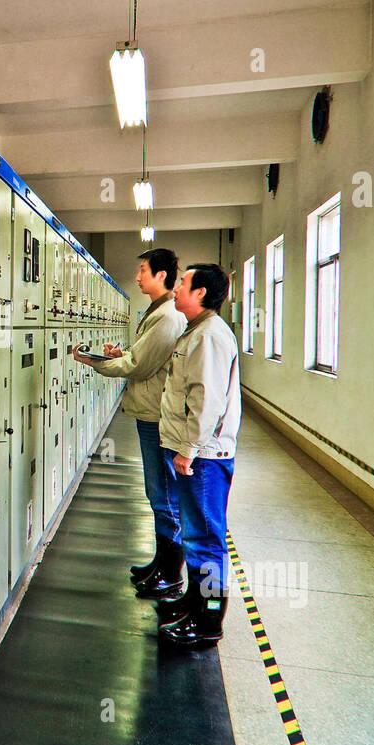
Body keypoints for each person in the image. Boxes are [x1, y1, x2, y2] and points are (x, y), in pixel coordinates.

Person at [73, 248, 186, 597]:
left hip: (156, 417)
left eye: (143, 271)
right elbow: (141, 357)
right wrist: (119, 354)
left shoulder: (166, 317)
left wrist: (93, 361)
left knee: (163, 495)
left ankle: (170, 573)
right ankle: (161, 564)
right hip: (150, 412)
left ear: (161, 276)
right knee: (158, 493)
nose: (137, 277)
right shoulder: (158, 313)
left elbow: (139, 365)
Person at [155, 263, 241, 646]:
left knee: (205, 536)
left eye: (184, 284)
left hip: (205, 453)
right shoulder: (198, 331)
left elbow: (207, 401)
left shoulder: (208, 336)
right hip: (198, 450)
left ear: (201, 292)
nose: (176, 289)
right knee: (196, 534)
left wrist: (188, 449)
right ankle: (194, 599)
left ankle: (207, 622)